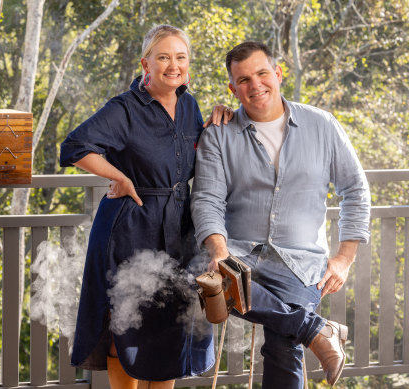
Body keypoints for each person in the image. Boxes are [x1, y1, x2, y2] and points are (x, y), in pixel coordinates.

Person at [60, 25, 232, 389]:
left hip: (178, 229)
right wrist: (119, 177)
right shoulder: (124, 108)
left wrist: (221, 117)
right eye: (164, 57)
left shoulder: (189, 105)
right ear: (146, 64)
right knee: (126, 322)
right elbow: (74, 146)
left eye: (181, 57)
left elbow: (196, 154)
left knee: (170, 324)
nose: (174, 65)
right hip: (130, 227)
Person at [191, 41, 371, 388]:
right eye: (243, 80)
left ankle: (307, 329)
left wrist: (345, 259)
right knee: (190, 272)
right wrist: (219, 253)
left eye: (262, 73)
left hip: (300, 261)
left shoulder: (322, 126)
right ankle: (316, 331)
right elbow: (207, 200)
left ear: (278, 73)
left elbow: (356, 190)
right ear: (232, 88)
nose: (255, 85)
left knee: (283, 344)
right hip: (238, 253)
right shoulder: (219, 133)